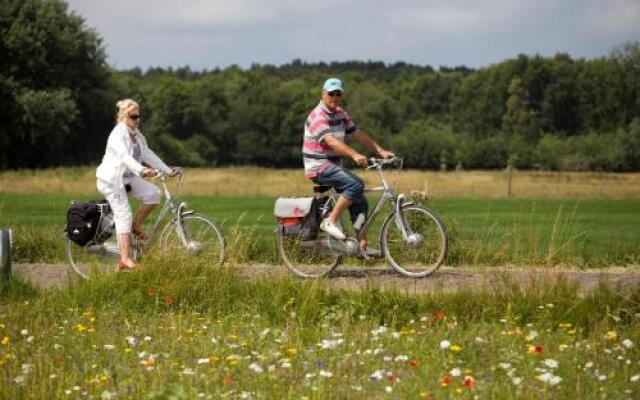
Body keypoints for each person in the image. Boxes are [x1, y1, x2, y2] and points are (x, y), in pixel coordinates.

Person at [302, 78, 394, 251]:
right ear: (323, 94)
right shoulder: (317, 116)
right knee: (356, 184)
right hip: (318, 166)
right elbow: (331, 142)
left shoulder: (340, 113)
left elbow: (358, 134)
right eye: (331, 93)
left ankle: (362, 244)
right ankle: (330, 221)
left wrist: (380, 151)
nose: (335, 97)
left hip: (333, 165)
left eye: (338, 94)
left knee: (360, 201)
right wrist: (354, 154)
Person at [96, 99, 175, 270]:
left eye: (139, 116)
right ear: (124, 116)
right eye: (134, 116)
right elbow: (125, 157)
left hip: (128, 179)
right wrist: (142, 170)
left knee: (153, 193)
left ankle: (134, 226)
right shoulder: (118, 134)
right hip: (112, 181)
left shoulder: (136, 134)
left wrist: (166, 169)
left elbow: (147, 153)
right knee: (123, 213)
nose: (138, 119)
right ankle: (125, 258)